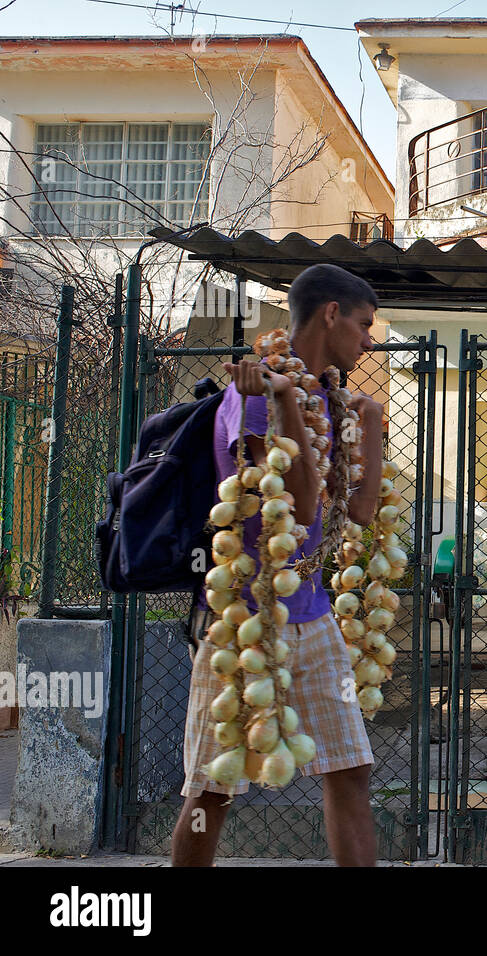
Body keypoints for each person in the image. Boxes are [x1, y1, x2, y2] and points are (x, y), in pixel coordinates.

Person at [170, 263, 384, 866]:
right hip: (244, 621)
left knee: (350, 770)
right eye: (365, 325)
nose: (369, 342)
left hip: (314, 618)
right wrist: (286, 400)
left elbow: (360, 513)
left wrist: (370, 426)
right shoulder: (254, 392)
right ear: (331, 314)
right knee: (212, 790)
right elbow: (302, 502)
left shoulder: (325, 396)